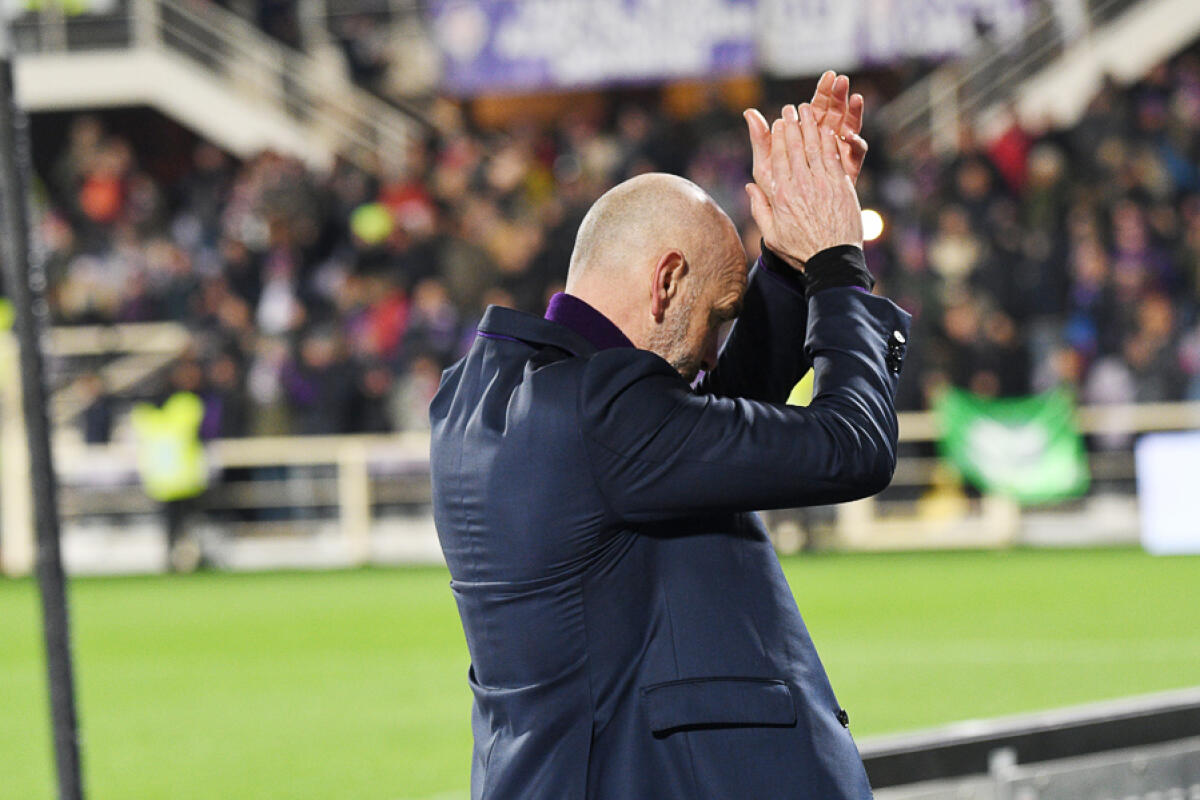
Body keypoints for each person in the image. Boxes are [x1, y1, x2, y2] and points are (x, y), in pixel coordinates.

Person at [429, 74, 911, 799]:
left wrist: (781, 263)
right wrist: (836, 265)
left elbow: (694, 424)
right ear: (665, 283)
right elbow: (850, 445)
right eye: (719, 316)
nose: (717, 349)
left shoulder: (486, 400)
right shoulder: (605, 419)